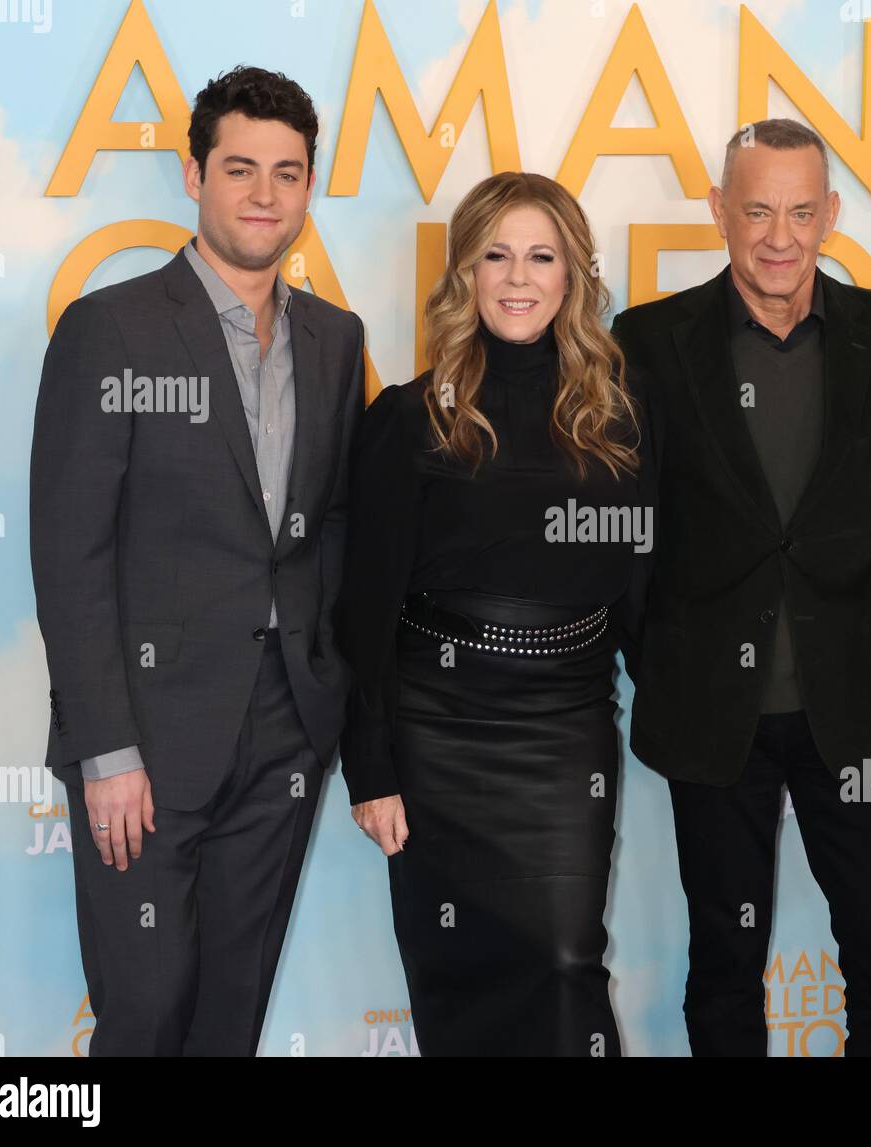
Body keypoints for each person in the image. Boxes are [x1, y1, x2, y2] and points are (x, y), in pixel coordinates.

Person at [30, 67, 365, 1055]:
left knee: (232, 1019)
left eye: (287, 172)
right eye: (240, 168)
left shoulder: (336, 341)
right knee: (142, 1018)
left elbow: (333, 525)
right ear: (193, 174)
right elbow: (69, 549)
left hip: (283, 738)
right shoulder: (112, 328)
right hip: (146, 740)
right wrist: (107, 748)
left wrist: (326, 696)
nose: (264, 194)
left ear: (310, 186)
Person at [611, 118, 871, 1056]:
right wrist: (664, 659)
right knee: (724, 968)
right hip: (714, 717)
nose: (779, 236)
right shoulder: (648, 341)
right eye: (757, 210)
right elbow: (627, 533)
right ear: (718, 211)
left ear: (831, 214)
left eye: (800, 211)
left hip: (858, 711)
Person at [335, 171, 657, 1057]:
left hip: (564, 730)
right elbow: (364, 609)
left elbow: (640, 593)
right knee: (455, 975)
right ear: (466, 275)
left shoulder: (620, 420)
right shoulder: (410, 418)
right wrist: (370, 765)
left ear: (573, 276)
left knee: (563, 964)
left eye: (542, 256)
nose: (520, 277)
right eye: (497, 254)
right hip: (437, 729)